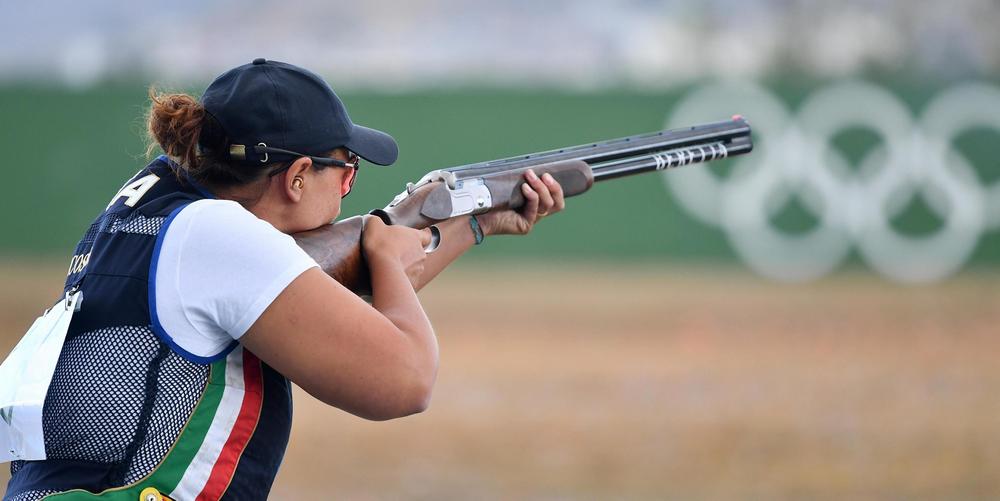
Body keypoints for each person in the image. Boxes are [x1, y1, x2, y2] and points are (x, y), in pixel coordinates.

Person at [3, 59, 565, 501]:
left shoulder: (159, 202)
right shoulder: (220, 237)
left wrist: (476, 224)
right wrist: (387, 258)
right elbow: (406, 379)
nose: (349, 187)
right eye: (347, 172)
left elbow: (323, 313)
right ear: (297, 177)